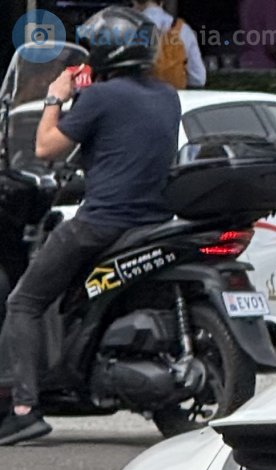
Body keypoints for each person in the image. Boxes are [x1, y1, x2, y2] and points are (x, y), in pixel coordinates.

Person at [0, 6, 182, 446]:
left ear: (103, 51)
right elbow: (127, 150)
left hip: (101, 224)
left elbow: (45, 148)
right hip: (153, 222)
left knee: (23, 302)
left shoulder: (100, 98)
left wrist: (55, 95)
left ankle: (23, 409)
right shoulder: (168, 96)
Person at [133, 0, 207, 89]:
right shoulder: (183, 29)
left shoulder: (128, 28)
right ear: (162, 1)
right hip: (175, 94)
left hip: (139, 93)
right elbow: (199, 79)